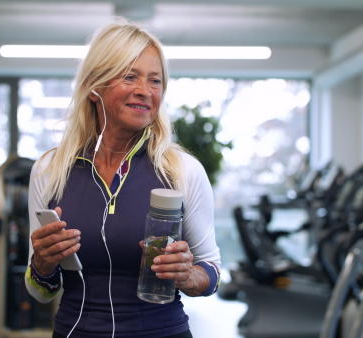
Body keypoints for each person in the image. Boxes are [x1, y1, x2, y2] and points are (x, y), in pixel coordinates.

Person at [25, 18, 221, 338]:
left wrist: (189, 276)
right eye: (130, 76)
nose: (145, 91)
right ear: (93, 87)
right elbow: (41, 291)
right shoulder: (50, 170)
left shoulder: (182, 170)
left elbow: (212, 272)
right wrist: (42, 266)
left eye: (155, 81)